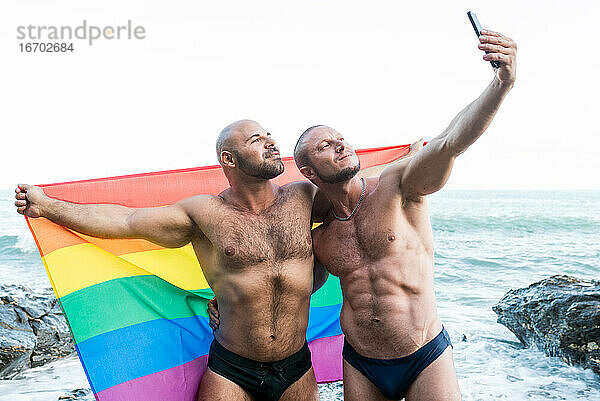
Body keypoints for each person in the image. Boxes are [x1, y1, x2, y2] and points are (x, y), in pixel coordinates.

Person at [14, 119, 329, 401]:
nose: (271, 142)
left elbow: (360, 201)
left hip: (297, 367)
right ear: (228, 159)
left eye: (270, 135)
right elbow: (126, 221)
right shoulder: (204, 213)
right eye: (256, 139)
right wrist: (47, 206)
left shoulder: (305, 197)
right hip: (234, 370)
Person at [291, 29, 517, 401]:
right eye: (325, 145)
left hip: (424, 355)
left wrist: (502, 83)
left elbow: (450, 141)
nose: (340, 144)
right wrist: (226, 301)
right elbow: (295, 284)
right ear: (308, 172)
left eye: (341, 138)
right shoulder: (320, 236)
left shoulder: (398, 186)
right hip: (361, 362)